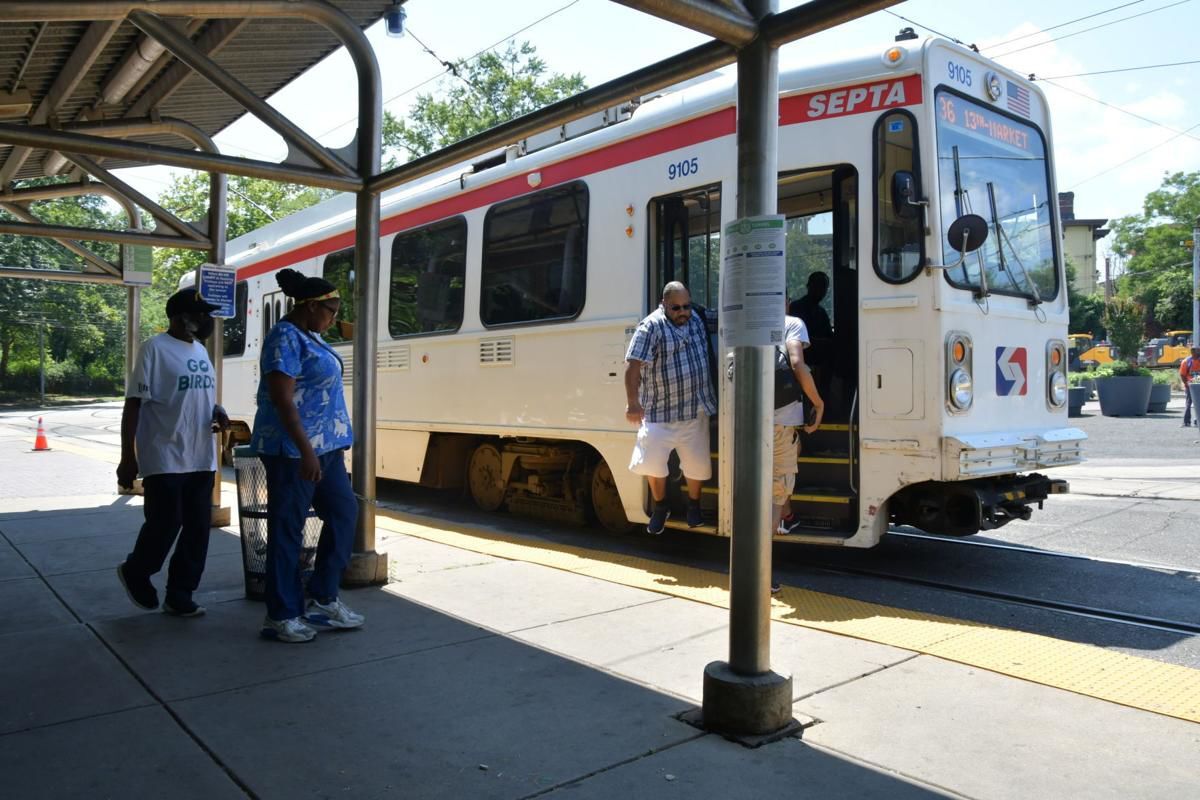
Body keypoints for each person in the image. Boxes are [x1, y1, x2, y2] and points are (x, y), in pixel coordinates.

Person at [251, 268, 363, 643]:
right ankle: (281, 615)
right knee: (288, 528)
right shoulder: (284, 337)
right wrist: (305, 451)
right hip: (293, 452)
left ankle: (323, 597)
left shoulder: (309, 334)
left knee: (345, 513)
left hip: (325, 448)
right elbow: (283, 399)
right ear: (312, 306)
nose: (334, 318)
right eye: (331, 310)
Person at [116, 288, 229, 617]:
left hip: (200, 455)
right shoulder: (154, 349)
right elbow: (134, 404)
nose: (209, 321)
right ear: (184, 318)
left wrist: (217, 409)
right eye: (203, 315)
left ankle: (180, 594)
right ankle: (137, 570)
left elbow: (198, 395)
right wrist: (128, 456)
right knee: (165, 523)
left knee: (196, 529)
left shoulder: (201, 351)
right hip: (163, 453)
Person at [625, 281, 717, 534]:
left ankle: (694, 507)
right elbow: (632, 366)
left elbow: (724, 317)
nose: (683, 312)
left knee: (697, 464)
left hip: (694, 408)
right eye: (676, 308)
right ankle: (660, 507)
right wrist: (633, 403)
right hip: (659, 413)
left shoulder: (696, 317)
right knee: (653, 464)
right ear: (664, 304)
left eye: (686, 306)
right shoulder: (650, 327)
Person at [771, 311, 824, 592]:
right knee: (776, 493)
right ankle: (759, 573)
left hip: (744, 420)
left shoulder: (745, 320)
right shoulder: (791, 323)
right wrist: (818, 402)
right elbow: (797, 364)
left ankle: (788, 517)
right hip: (781, 423)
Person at [1180, 346, 1200, 427]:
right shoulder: (1186, 361)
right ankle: (1186, 422)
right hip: (1191, 385)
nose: (1199, 353)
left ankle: (1197, 421)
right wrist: (1186, 384)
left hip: (1198, 384)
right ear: (1192, 352)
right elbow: (1182, 374)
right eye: (1197, 351)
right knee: (1189, 403)